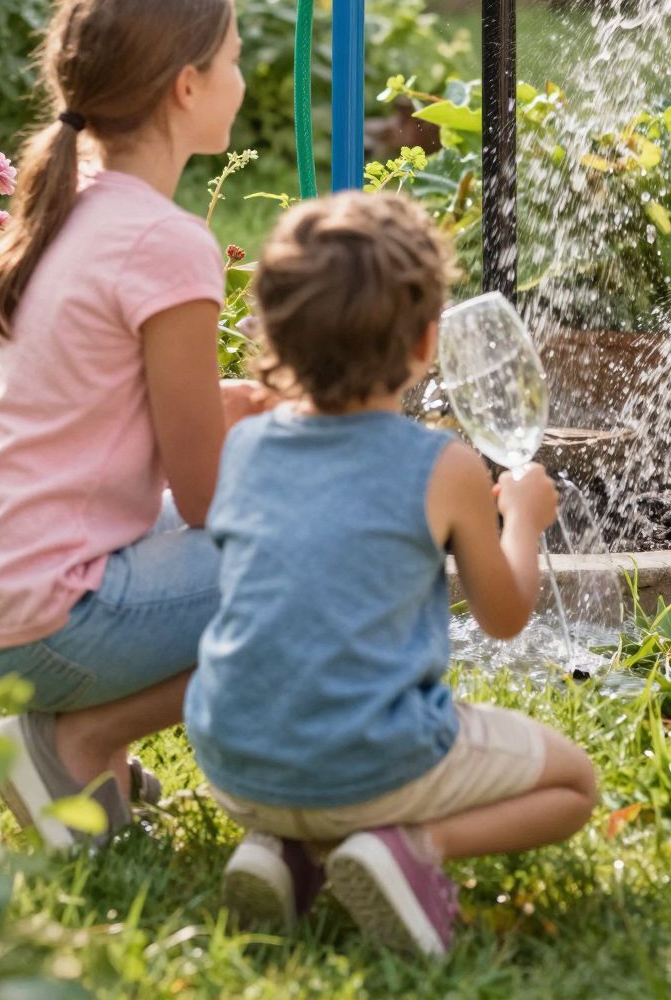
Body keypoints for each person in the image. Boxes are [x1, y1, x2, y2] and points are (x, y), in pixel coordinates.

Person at [186, 191, 598, 957]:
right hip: (371, 761)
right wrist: (526, 522)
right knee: (574, 785)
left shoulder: (243, 444)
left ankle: (286, 849)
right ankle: (408, 849)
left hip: (234, 759)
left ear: (272, 331)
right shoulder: (441, 466)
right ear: (426, 344)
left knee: (303, 758)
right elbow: (505, 617)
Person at [0, 0, 261, 847]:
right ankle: (78, 740)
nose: (241, 75)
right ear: (187, 87)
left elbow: (89, 408)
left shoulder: (69, 205)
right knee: (320, 569)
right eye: (231, 58)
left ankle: (67, 746)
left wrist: (234, 406)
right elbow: (204, 499)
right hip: (45, 617)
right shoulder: (166, 243)